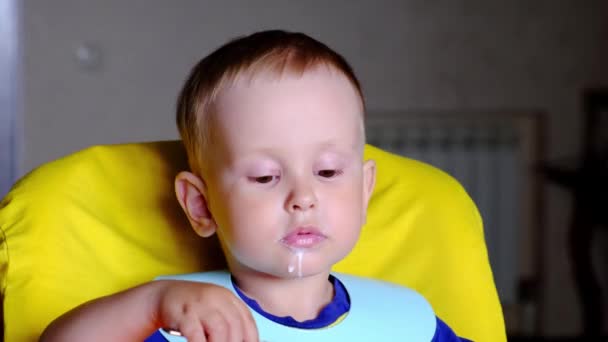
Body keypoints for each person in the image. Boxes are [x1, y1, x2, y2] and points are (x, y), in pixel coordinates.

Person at [40, 30, 470, 342]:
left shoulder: (408, 323)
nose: (303, 197)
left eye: (327, 172)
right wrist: (153, 304)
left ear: (364, 189)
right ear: (201, 205)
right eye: (266, 177)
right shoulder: (189, 325)